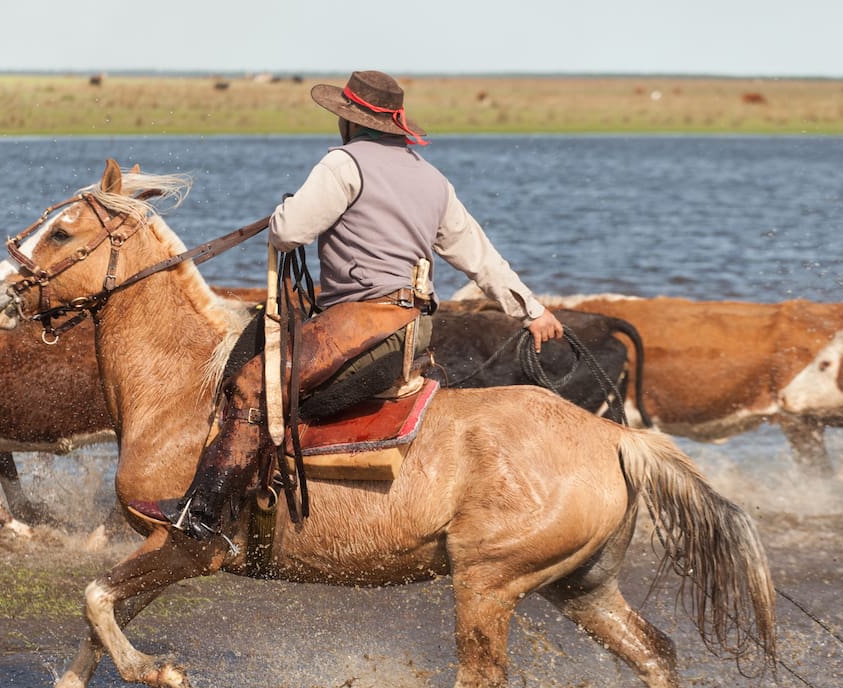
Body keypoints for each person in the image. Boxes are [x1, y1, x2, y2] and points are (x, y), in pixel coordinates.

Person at [149, 69, 563, 543]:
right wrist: (532, 311)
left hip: (358, 326)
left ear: (348, 121)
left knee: (251, 383)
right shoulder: (433, 181)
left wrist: (286, 209)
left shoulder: (343, 165)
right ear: (395, 126)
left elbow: (288, 232)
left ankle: (202, 512)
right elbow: (480, 257)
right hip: (410, 329)